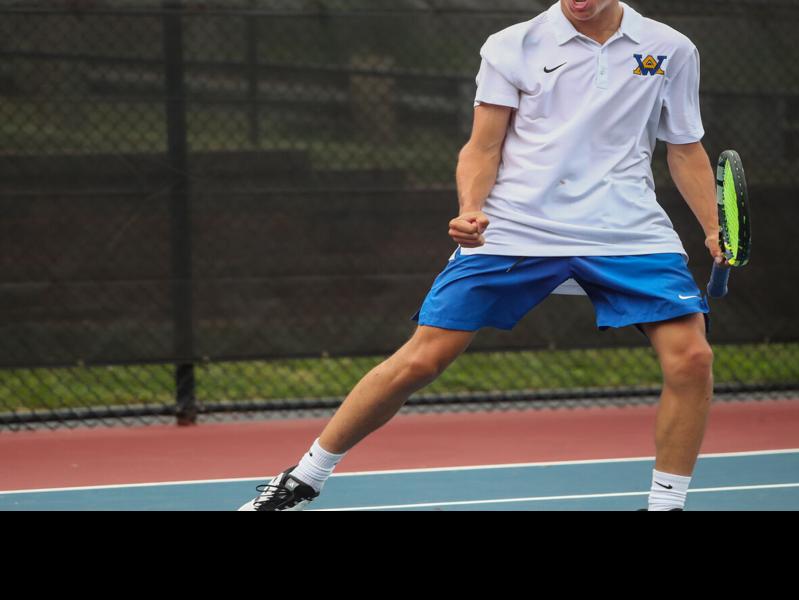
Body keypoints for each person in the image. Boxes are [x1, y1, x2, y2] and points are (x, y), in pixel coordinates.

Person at [240, 0, 720, 512]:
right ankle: (304, 478)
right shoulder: (512, 45)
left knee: (692, 359)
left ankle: (667, 505)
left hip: (626, 230)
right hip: (516, 227)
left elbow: (685, 148)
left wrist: (714, 228)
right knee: (423, 357)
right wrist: (470, 210)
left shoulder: (670, 48)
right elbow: (482, 146)